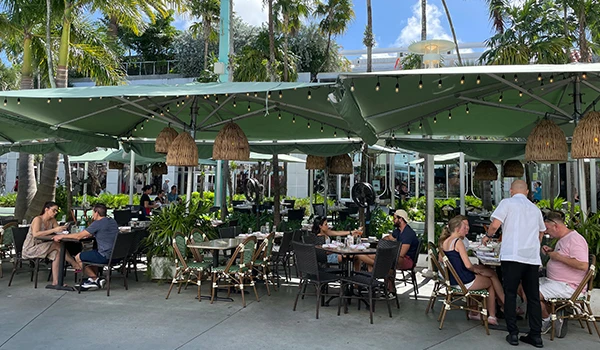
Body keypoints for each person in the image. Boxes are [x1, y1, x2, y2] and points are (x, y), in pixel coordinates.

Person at [484, 179, 546, 347]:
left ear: (511, 191)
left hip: (512, 256)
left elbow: (495, 225)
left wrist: (488, 236)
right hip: (531, 258)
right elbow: (541, 231)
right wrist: (534, 245)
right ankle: (536, 335)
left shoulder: (507, 203)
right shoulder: (535, 209)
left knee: (510, 294)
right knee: (533, 297)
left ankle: (513, 333)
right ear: (527, 192)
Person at [439, 215, 504, 326]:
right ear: (457, 229)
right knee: (490, 282)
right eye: (464, 227)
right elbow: (468, 265)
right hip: (463, 280)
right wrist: (476, 270)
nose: (467, 229)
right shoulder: (457, 242)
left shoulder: (445, 242)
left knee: (488, 274)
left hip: (454, 279)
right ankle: (492, 315)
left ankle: (484, 311)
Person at [539, 210, 589, 335]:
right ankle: (553, 313)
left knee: (531, 293)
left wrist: (557, 257)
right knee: (522, 285)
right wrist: (552, 252)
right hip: (556, 281)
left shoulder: (575, 240)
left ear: (556, 226)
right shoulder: (563, 238)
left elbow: (583, 265)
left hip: (568, 286)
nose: (546, 232)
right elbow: (564, 255)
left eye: (548, 228)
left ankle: (546, 319)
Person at [54, 204, 119, 290]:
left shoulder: (97, 223)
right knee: (91, 254)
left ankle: (96, 279)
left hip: (105, 256)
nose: (92, 215)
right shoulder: (112, 221)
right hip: (117, 255)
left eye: (93, 212)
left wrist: (62, 236)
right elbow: (102, 232)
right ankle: (92, 279)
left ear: (96, 213)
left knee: (78, 257)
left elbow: (78, 236)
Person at [22, 201, 80, 287]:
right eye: (54, 210)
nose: (55, 213)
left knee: (58, 253)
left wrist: (63, 229)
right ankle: (74, 263)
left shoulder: (52, 220)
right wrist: (54, 230)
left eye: (56, 211)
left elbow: (58, 231)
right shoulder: (38, 219)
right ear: (46, 209)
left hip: (44, 246)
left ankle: (56, 282)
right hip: (31, 248)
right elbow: (36, 234)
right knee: (57, 245)